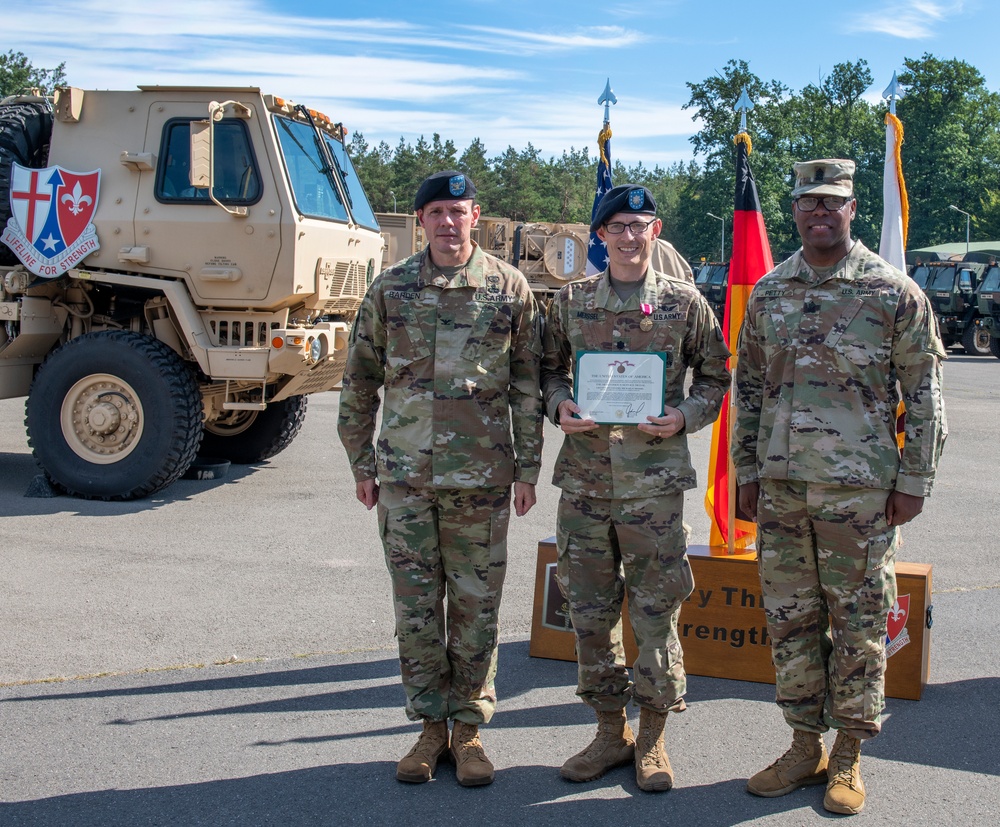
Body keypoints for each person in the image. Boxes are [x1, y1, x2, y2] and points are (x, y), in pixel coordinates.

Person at [732, 159, 947, 815]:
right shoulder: (770, 292)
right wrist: (746, 471)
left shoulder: (892, 291)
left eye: (833, 203)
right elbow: (749, 391)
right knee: (791, 622)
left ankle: (848, 753)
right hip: (783, 490)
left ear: (852, 210)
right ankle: (804, 746)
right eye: (808, 203)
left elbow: (927, 396)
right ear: (794, 211)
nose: (820, 212)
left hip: (861, 496)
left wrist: (914, 480)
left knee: (858, 625)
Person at [337, 170, 544, 787]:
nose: (449, 222)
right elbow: (359, 381)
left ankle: (471, 730)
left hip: (482, 479)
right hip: (404, 478)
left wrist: (528, 469)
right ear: (421, 220)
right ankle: (430, 728)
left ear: (475, 216)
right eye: (437, 212)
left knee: (477, 608)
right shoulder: (391, 289)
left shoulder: (509, 288)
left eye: (459, 210)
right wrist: (361, 462)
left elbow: (529, 384)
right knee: (417, 609)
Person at [540, 184, 730, 792]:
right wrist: (559, 404)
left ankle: (651, 739)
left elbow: (718, 374)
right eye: (616, 226)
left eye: (639, 225)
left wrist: (685, 417)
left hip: (654, 486)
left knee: (654, 612)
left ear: (656, 231)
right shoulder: (569, 304)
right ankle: (607, 732)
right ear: (600, 236)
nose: (628, 236)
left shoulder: (684, 302)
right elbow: (541, 370)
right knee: (591, 614)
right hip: (586, 484)